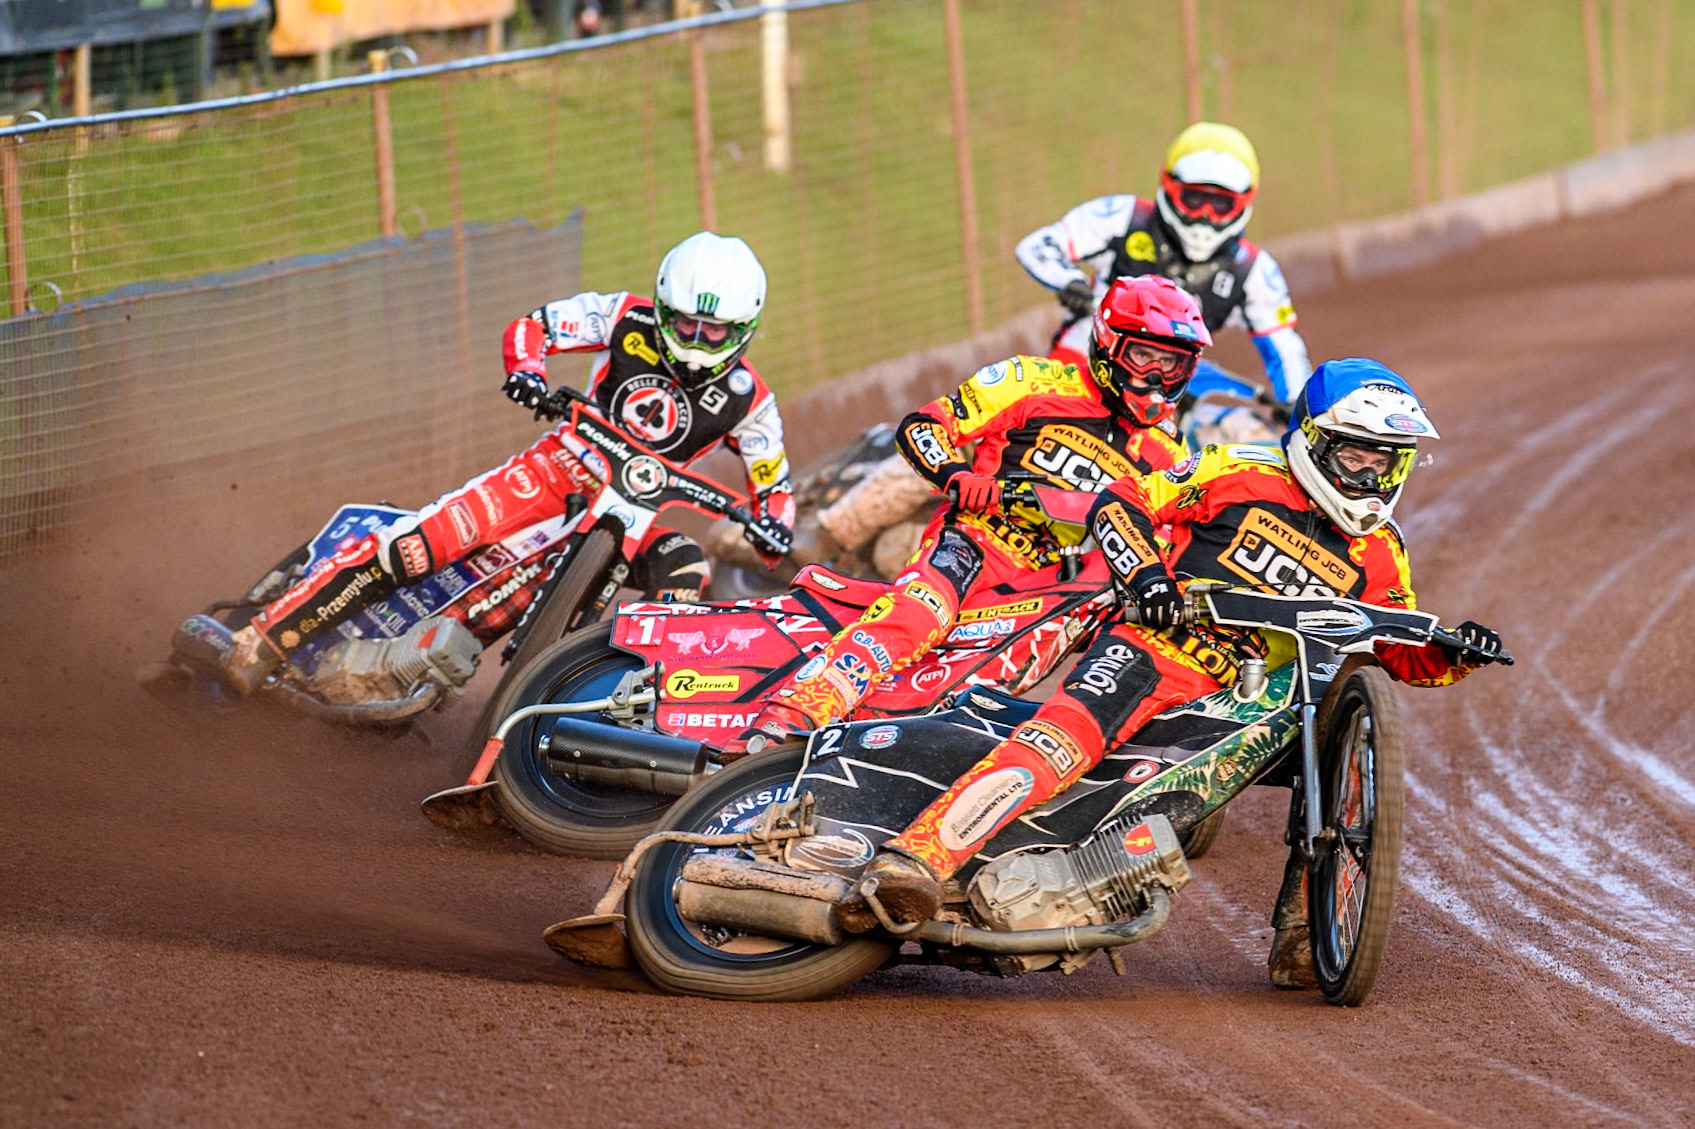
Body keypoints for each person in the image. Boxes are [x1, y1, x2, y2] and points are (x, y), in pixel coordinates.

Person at [834, 358, 1508, 989]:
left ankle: (1305, 934)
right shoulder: (1235, 469)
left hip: (1249, 701)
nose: (1370, 475)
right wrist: (1145, 573)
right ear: (1313, 442)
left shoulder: (1381, 554)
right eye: (1355, 455)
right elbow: (1120, 501)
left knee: (1331, 732)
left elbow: (1394, 647)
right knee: (1060, 744)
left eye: (1386, 460)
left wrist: (1455, 653)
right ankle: (912, 860)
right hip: (1157, 644)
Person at [214, 231, 796, 693]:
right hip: (559, 468)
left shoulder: (753, 402)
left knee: (687, 568)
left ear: (744, 329)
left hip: (637, 521)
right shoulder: (625, 316)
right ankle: (260, 642)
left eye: (714, 329)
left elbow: (777, 492)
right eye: (686, 323)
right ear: (664, 308)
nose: (696, 342)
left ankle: (634, 709)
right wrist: (527, 374)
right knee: (418, 543)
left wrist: (772, 528)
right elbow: (534, 327)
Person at [729, 275, 1209, 754]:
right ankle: (787, 717)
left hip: (1053, 584)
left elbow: (1171, 537)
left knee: (981, 685)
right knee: (917, 617)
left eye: (1174, 363)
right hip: (975, 542)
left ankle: (869, 747)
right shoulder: (1034, 380)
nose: (1159, 376)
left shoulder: (1168, 454)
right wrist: (960, 478)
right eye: (1145, 356)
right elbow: (924, 427)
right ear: (1110, 344)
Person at [1015, 121, 1312, 408]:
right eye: (1194, 199)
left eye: (1220, 204)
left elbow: (1284, 349)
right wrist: (1069, 281)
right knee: (1032, 421)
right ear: (1169, 186)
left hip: (1169, 386)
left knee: (1234, 433)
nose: (1205, 216)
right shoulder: (1124, 217)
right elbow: (1037, 245)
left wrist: (1295, 407)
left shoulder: (1253, 269)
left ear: (1244, 202)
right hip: (1085, 360)